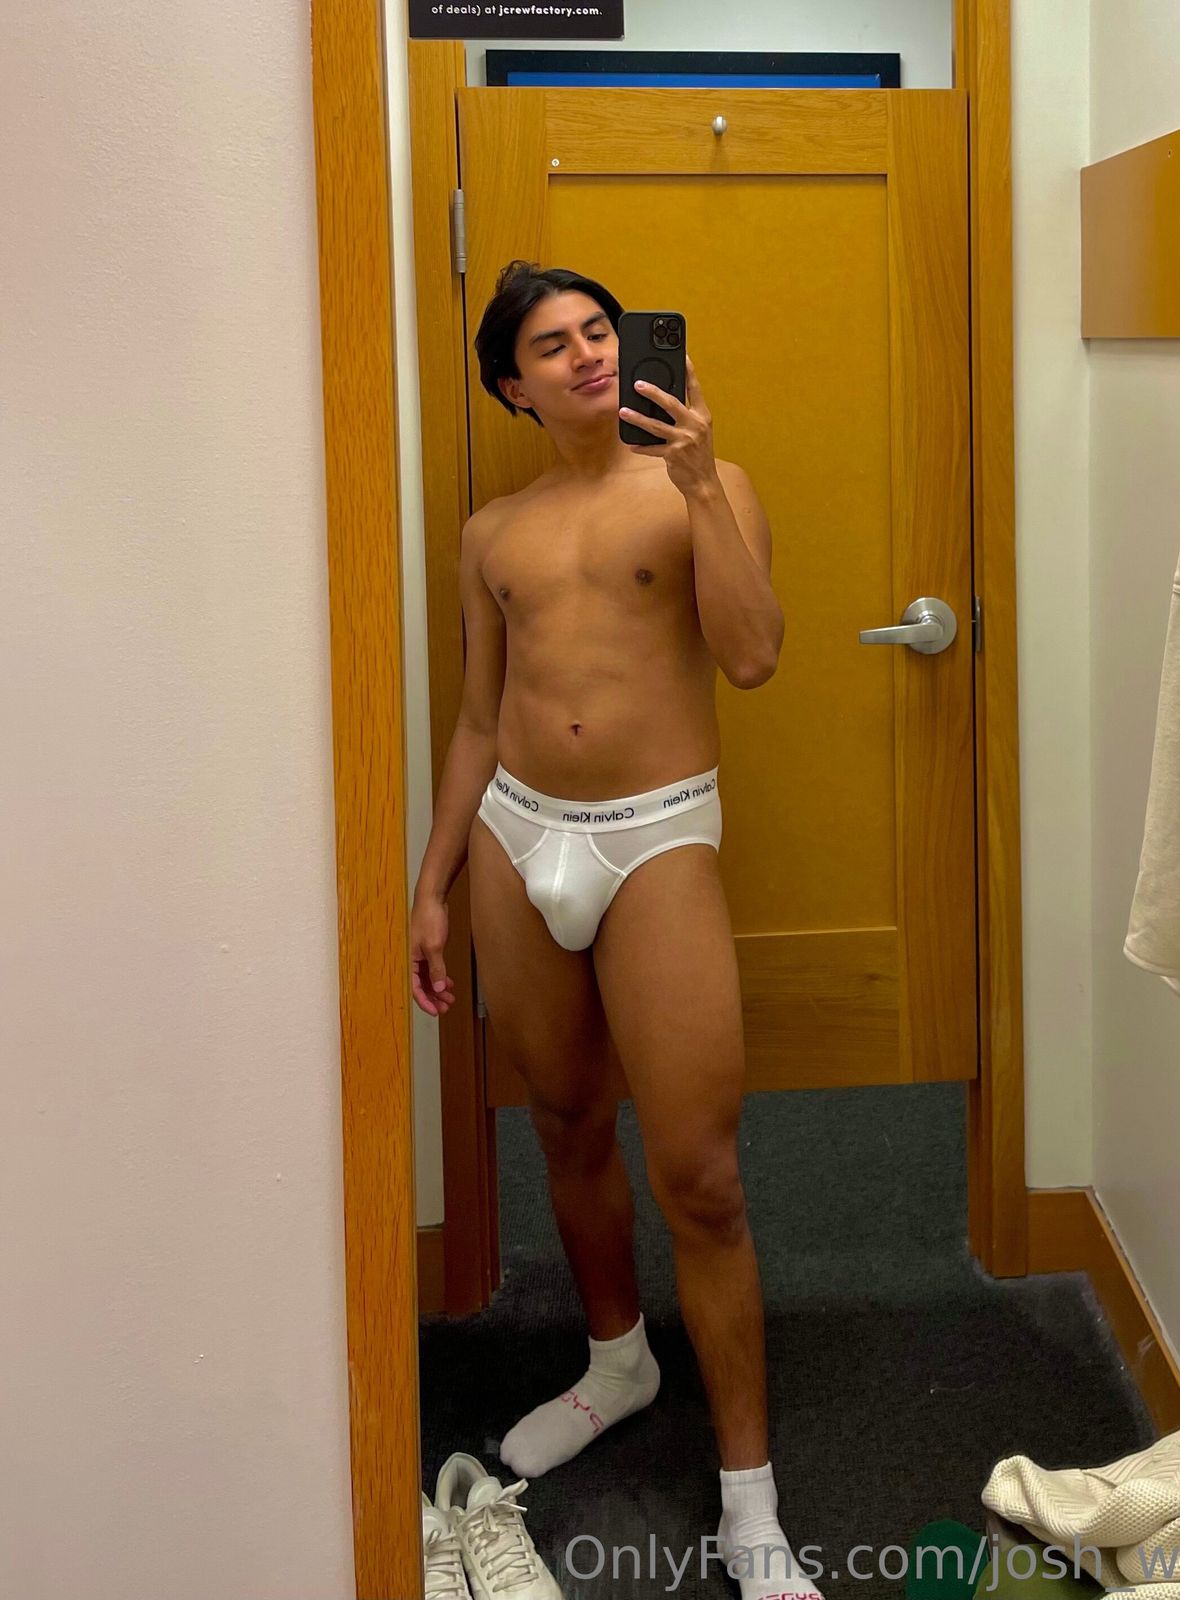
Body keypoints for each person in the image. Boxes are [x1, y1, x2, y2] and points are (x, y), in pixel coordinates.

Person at [409, 261, 824, 1600]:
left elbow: (754, 657)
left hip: (655, 835)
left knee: (700, 1174)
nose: (589, 353)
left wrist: (700, 484)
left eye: (600, 331)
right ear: (511, 386)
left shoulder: (706, 482)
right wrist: (433, 882)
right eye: (554, 344)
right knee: (567, 1121)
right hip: (516, 832)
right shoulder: (493, 533)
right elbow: (478, 718)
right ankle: (616, 1361)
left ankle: (751, 1506)